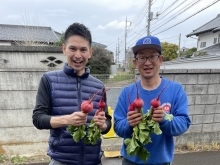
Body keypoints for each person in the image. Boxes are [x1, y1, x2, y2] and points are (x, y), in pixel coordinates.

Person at [32, 22, 112, 165]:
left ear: (90, 52)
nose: (78, 55)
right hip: (62, 160)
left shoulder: (99, 86)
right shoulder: (49, 80)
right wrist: (67, 120)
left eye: (83, 50)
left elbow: (106, 121)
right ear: (64, 49)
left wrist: (103, 125)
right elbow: (38, 119)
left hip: (93, 160)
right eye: (72, 49)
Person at [113, 35, 191, 165]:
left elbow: (183, 124)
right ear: (135, 63)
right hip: (131, 161)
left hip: (162, 162)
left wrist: (164, 119)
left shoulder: (175, 89)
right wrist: (129, 124)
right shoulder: (126, 92)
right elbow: (117, 127)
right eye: (142, 57)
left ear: (160, 60)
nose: (147, 62)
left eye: (152, 56)